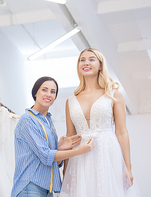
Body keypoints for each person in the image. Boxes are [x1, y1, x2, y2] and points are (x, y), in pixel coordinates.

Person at [60, 48, 140, 197]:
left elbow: (122, 132)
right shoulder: (70, 101)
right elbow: (70, 137)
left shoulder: (113, 95)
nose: (86, 63)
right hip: (80, 156)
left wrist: (128, 167)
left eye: (91, 59)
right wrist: (66, 169)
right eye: (82, 60)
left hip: (108, 153)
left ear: (101, 65)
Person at [11, 76, 95, 197]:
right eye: (44, 90)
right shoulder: (28, 120)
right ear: (35, 93)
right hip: (30, 187)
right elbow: (46, 156)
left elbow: (53, 161)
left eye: (53, 92)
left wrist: (60, 149)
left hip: (47, 189)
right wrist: (79, 151)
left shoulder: (48, 122)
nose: (48, 94)